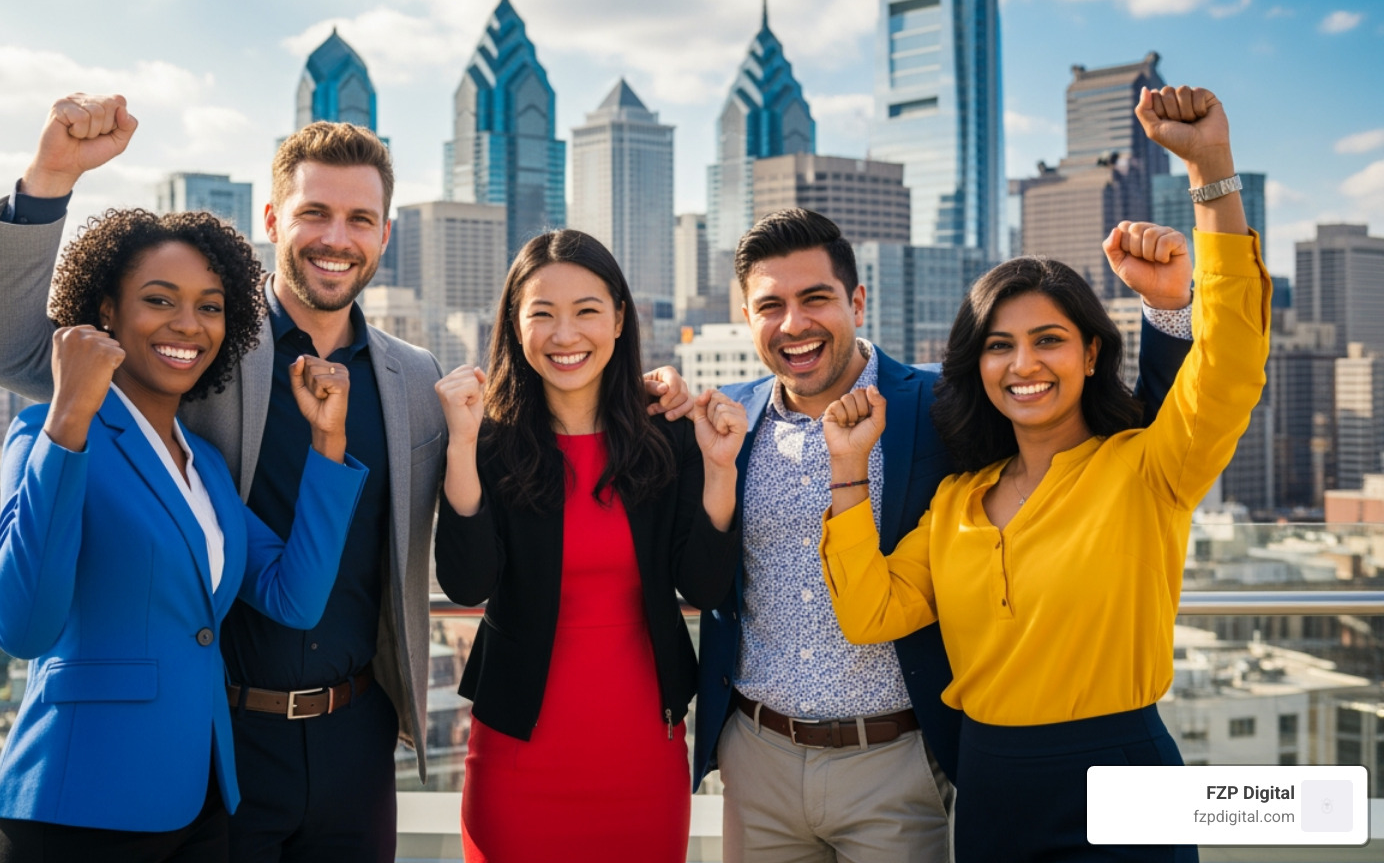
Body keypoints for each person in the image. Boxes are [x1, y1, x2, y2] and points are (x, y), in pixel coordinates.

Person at [0, 94, 696, 863]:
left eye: (359, 220)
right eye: (315, 213)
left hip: (358, 739)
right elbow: (6, 351)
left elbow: (530, 435)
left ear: (385, 234)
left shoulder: (415, 381)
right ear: (273, 220)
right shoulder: (201, 342)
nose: (337, 239)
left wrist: (653, 392)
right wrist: (48, 181)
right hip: (220, 740)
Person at [818, 85, 1266, 862]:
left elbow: (1228, 363)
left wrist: (1210, 171)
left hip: (1124, 777)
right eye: (1000, 345)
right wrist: (849, 472)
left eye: (1048, 340)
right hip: (990, 787)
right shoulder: (958, 501)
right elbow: (870, 613)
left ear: (1091, 353)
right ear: (977, 365)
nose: (1023, 364)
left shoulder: (1147, 468)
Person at [690, 199, 1198, 861]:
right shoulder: (724, 418)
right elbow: (697, 570)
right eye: (770, 306)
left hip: (901, 759)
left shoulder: (943, 403)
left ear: (858, 302)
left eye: (815, 297)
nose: (794, 323)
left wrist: (1168, 311)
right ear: (746, 316)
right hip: (759, 757)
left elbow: (1141, 431)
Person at [0, 209, 368, 863]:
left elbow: (294, 598)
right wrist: (69, 415)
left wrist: (328, 443)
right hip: (78, 806)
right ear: (106, 311)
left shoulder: (205, 467)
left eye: (210, 307)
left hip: (199, 802)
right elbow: (22, 629)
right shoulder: (46, 433)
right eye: (160, 300)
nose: (189, 324)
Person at [433, 231, 744, 862]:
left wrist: (719, 472)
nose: (565, 334)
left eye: (586, 311)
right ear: (514, 325)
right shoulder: (489, 441)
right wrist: (461, 447)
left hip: (644, 756)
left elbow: (705, 587)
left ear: (620, 318)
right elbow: (466, 585)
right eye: (542, 313)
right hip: (517, 756)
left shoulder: (667, 436)